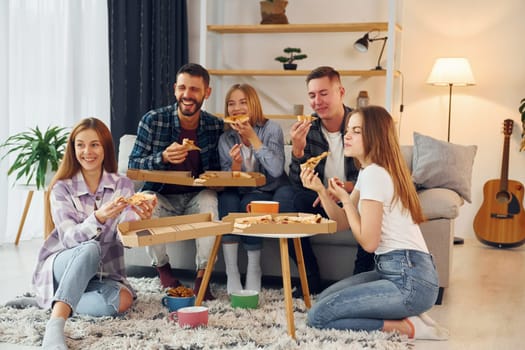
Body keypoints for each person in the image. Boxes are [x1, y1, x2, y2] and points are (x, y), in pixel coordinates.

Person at [302, 106, 449, 340]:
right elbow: (341, 223)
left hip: (408, 281)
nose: (346, 135)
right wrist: (320, 188)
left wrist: (345, 201)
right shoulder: (369, 172)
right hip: (395, 272)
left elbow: (369, 243)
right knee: (325, 300)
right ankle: (405, 314)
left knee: (318, 316)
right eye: (348, 130)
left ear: (375, 136)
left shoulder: (375, 175)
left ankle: (410, 327)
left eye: (356, 131)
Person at [31, 117, 156, 350]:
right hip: (62, 264)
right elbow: (69, 239)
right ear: (73, 148)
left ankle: (53, 300)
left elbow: (124, 235)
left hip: (102, 274)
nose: (87, 151)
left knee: (123, 300)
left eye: (95, 144)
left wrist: (139, 218)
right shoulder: (61, 187)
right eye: (80, 145)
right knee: (90, 247)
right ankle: (55, 325)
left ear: (105, 148)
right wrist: (99, 217)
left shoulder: (123, 185)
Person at [273, 66, 374, 297]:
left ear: (340, 92)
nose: (317, 101)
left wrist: (344, 189)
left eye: (324, 93)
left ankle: (360, 279)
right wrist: (297, 151)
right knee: (286, 199)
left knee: (368, 204)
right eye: (312, 95)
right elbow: (298, 184)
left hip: (353, 197)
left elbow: (374, 170)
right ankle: (309, 278)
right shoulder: (308, 129)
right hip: (319, 199)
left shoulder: (361, 125)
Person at [128, 63, 223, 300]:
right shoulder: (153, 120)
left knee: (210, 199)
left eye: (194, 89)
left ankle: (203, 276)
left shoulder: (214, 126)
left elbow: (221, 170)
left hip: (196, 197)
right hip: (162, 195)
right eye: (182, 88)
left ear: (206, 93)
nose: (187, 95)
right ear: (174, 89)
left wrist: (219, 179)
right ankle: (163, 270)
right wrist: (162, 157)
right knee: (147, 202)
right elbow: (133, 165)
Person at [218, 83, 289, 294]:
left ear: (253, 104)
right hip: (237, 190)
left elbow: (276, 170)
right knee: (227, 201)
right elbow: (229, 178)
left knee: (249, 204)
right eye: (231, 104)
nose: (236, 108)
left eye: (242, 102)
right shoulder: (225, 138)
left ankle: (254, 269)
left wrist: (253, 138)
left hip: (265, 190)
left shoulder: (271, 129)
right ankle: (231, 271)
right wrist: (236, 165)